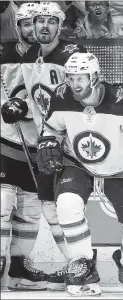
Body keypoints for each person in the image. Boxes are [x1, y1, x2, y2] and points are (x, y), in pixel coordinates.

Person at [33, 52, 123, 296]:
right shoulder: (61, 97)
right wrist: (49, 141)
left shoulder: (122, 103)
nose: (74, 84)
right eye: (71, 77)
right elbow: (52, 127)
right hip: (77, 163)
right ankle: (82, 265)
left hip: (117, 169)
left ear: (95, 77)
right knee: (66, 203)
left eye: (80, 78)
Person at [19, 1, 87, 291]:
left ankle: (83, 265)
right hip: (44, 143)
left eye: (50, 21)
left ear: (61, 26)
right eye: (39, 21)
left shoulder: (73, 55)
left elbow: (86, 94)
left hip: (72, 146)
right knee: (50, 206)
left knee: (67, 206)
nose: (43, 26)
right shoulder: (29, 56)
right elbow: (35, 99)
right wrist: (17, 104)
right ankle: (77, 265)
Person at [0, 2, 47, 291]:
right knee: (2, 206)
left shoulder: (52, 58)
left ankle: (19, 267)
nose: (32, 29)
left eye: (36, 23)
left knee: (30, 210)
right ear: (17, 27)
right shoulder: (3, 55)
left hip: (37, 144)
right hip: (4, 141)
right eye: (26, 24)